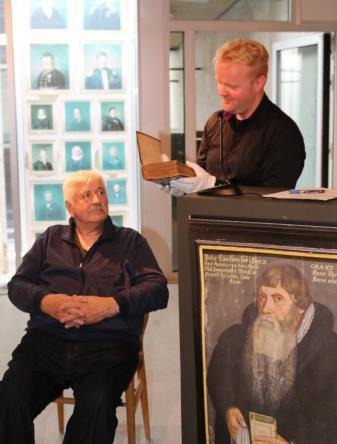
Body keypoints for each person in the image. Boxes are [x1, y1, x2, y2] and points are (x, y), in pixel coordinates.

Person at [0, 170, 169, 444]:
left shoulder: (130, 242)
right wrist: (46, 302)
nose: (97, 200)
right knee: (9, 399)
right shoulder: (50, 240)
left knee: (97, 406)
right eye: (87, 195)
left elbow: (158, 289)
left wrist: (112, 305)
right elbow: (18, 285)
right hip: (47, 342)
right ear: (69, 207)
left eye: (101, 192)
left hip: (108, 346)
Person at [207, 264, 337, 444]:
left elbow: (330, 423)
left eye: (278, 298)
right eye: (262, 297)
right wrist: (228, 407)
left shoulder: (331, 351)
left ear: (300, 307)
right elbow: (219, 376)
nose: (266, 308)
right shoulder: (234, 338)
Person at [165, 39, 306, 196]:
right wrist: (183, 186)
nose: (222, 92)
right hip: (207, 219)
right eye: (219, 82)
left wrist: (212, 185)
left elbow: (271, 202)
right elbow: (201, 181)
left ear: (258, 83)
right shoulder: (214, 123)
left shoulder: (283, 133)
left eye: (232, 86)